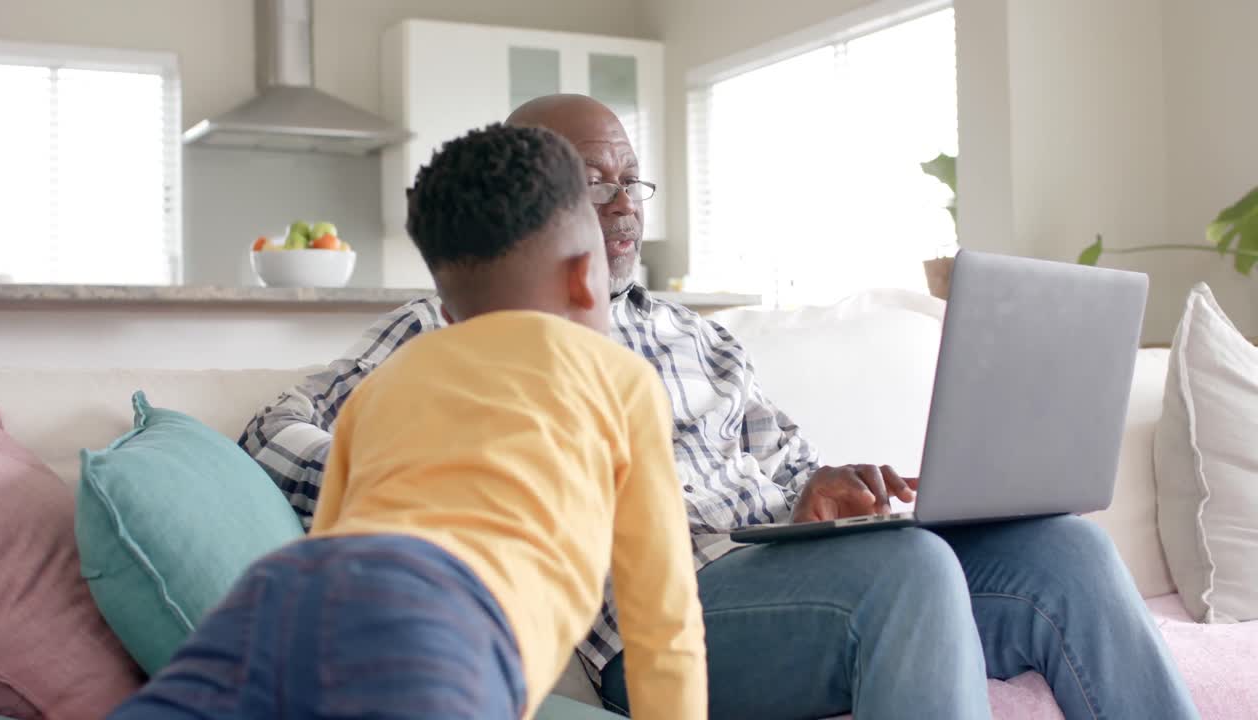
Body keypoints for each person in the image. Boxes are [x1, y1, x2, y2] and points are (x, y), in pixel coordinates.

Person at [240, 95, 1198, 719]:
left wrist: (821, 491)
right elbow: (271, 431)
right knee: (905, 572)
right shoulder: (463, 324)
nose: (619, 201)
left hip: (794, 573)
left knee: (1062, 551)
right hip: (669, 622)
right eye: (591, 179)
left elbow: (787, 471)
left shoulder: (700, 333)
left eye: (629, 179)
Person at [113, 124, 706, 720]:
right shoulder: (622, 380)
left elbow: (334, 525)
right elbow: (661, 617)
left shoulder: (385, 383)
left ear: (447, 313)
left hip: (284, 594)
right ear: (586, 275)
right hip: (450, 621)